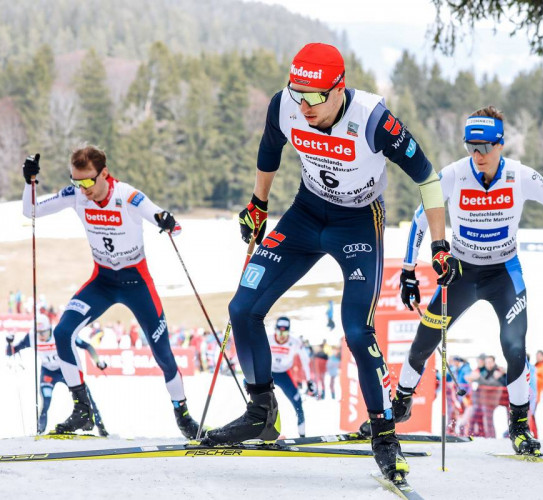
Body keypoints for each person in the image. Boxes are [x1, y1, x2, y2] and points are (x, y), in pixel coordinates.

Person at [202, 42, 457, 481]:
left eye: (315, 97)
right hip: (304, 213)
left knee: (357, 330)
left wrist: (439, 245)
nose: (304, 106)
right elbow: (269, 148)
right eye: (297, 93)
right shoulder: (286, 104)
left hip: (358, 223)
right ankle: (261, 411)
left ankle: (383, 434)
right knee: (242, 308)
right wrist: (257, 205)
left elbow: (428, 178)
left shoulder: (375, 120)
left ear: (339, 89)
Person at [390, 106, 543, 455]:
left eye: (484, 147)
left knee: (514, 347)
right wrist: (407, 271)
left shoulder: (521, 176)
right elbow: (420, 219)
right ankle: (399, 405)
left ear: (501, 145)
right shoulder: (453, 175)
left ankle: (520, 426)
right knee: (424, 341)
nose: (477, 155)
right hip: (461, 272)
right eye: (470, 147)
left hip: (504, 274)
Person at [20, 148, 200, 439]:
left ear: (104, 173)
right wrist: (29, 182)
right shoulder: (76, 194)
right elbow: (31, 212)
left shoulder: (127, 195)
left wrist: (167, 221)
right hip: (102, 281)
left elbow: (171, 225)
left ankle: (183, 416)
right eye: (76, 182)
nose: (83, 190)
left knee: (163, 354)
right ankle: (82, 411)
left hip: (136, 283)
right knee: (62, 332)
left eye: (87, 182)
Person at [5, 314, 108, 435]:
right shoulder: (32, 336)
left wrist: (97, 361)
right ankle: (40, 431)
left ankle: (102, 430)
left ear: (50, 329)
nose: (41, 336)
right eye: (39, 333)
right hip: (48, 372)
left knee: (86, 398)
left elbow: (87, 346)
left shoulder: (60, 333)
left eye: (44, 332)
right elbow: (11, 352)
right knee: (45, 402)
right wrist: (9, 342)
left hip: (66, 370)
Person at [265, 317, 314, 437]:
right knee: (261, 402)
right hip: (267, 372)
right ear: (275, 330)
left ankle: (302, 435)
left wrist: (309, 381)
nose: (282, 336)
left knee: (298, 402)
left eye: (285, 332)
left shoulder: (295, 342)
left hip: (284, 374)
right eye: (279, 332)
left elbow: (305, 361)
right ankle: (261, 431)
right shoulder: (268, 338)